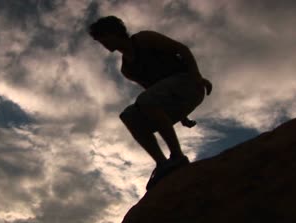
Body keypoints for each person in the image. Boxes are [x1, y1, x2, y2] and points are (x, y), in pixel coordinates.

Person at [88, 16, 212, 190]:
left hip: (190, 83)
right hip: (171, 98)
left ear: (114, 32)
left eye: (103, 37)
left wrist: (196, 77)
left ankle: (177, 156)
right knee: (129, 115)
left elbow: (181, 49)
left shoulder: (144, 39)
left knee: (145, 101)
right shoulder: (127, 69)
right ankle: (162, 163)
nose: (102, 43)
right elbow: (152, 90)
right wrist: (182, 115)